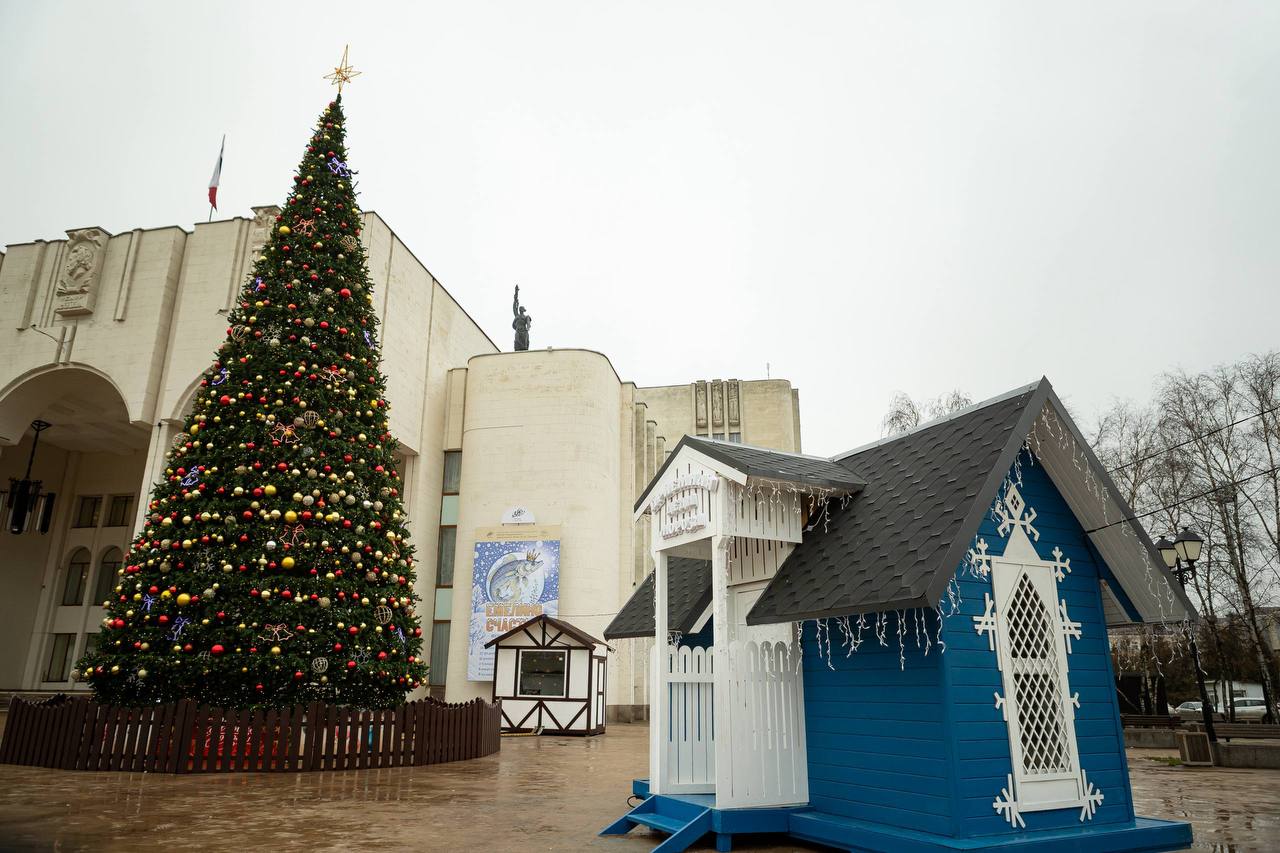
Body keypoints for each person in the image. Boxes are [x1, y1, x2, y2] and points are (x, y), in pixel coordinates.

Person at [512, 285, 532, 351]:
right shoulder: (517, 315)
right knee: (517, 343)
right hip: (518, 331)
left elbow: (528, 323)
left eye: (523, 309)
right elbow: (514, 306)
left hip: (524, 331)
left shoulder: (526, 317)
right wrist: (516, 293)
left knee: (524, 347)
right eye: (521, 309)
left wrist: (527, 328)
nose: (522, 310)